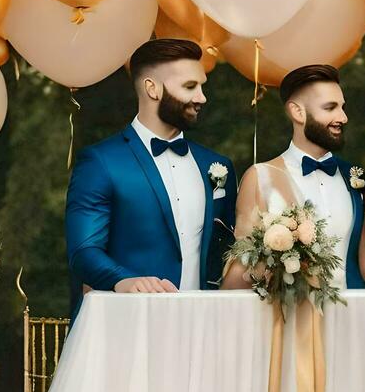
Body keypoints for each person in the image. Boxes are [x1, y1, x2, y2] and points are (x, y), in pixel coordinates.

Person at [64, 38, 237, 315]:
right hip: (128, 323)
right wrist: (122, 279)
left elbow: (228, 249)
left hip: (202, 326)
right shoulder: (101, 162)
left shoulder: (216, 165)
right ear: (152, 88)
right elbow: (83, 252)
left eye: (202, 86)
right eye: (190, 87)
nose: (202, 97)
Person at [224, 64, 365, 290]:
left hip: (353, 314)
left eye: (342, 107)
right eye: (330, 108)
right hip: (289, 316)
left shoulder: (355, 179)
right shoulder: (260, 177)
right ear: (298, 112)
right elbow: (244, 264)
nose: (343, 117)